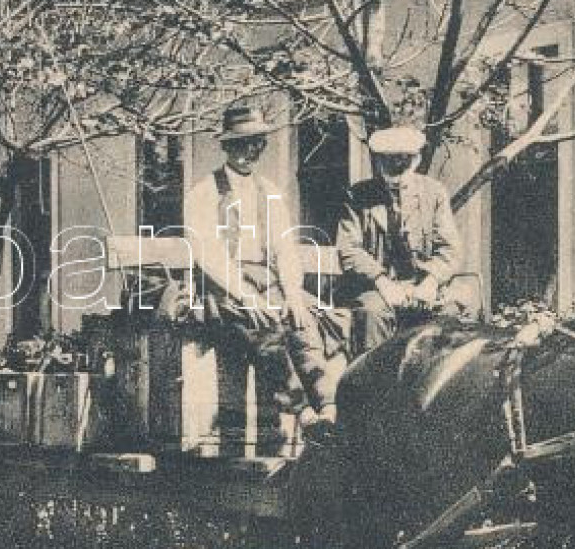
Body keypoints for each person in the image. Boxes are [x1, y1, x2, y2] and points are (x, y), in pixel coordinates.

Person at [182, 103, 341, 443]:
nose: (248, 152)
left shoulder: (270, 192)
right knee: (261, 322)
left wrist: (294, 294)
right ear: (226, 146)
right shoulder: (204, 193)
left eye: (256, 144)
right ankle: (301, 409)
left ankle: (327, 406)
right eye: (240, 144)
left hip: (266, 281)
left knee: (302, 321)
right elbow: (208, 255)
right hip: (220, 285)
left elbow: (285, 248)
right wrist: (245, 294)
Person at [335, 123, 463, 352]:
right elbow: (349, 249)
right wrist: (383, 282)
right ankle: (375, 386)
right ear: (378, 161)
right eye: (389, 161)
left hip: (422, 285)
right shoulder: (358, 196)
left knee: (452, 317)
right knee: (371, 314)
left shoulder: (434, 193)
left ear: (416, 160)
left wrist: (431, 281)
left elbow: (450, 249)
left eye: (404, 161)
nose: (396, 168)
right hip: (375, 288)